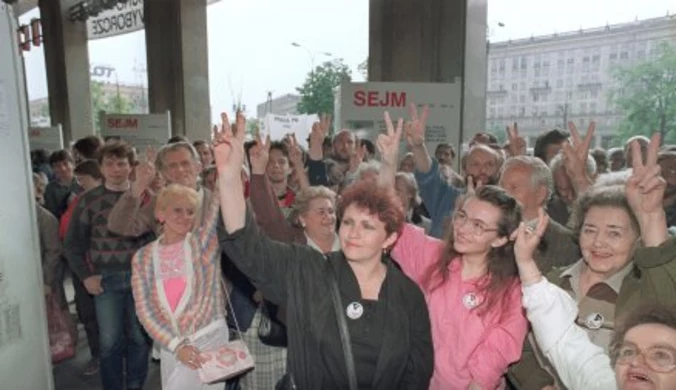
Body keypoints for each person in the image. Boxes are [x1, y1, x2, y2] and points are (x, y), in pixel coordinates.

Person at [216, 112, 434, 389]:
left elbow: (417, 372)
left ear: (389, 239)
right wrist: (229, 177)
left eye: (367, 227)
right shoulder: (308, 269)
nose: (353, 232)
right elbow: (247, 247)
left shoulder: (408, 295)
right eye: (349, 222)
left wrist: (389, 165)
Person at [511, 133, 676, 390]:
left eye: (614, 233)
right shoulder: (550, 283)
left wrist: (651, 216)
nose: (599, 242)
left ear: (637, 240)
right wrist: (539, 385)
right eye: (590, 230)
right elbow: (518, 343)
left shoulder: (646, 294)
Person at [378, 111, 528, 389]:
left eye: (479, 226)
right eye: (462, 217)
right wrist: (388, 164)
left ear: (500, 239)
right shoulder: (433, 258)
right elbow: (387, 219)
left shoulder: (511, 291)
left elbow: (496, 353)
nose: (463, 228)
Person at [64, 141, 152, 390]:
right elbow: (72, 244)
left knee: (139, 337)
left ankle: (135, 385)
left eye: (122, 163)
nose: (116, 169)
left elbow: (158, 240)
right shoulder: (87, 200)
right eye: (110, 164)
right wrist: (85, 276)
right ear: (100, 168)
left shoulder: (146, 197)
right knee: (109, 341)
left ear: (131, 166)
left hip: (140, 279)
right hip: (105, 280)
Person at [131, 181, 226, 390]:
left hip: (209, 335)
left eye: (191, 211)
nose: (185, 216)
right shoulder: (143, 257)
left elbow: (217, 208)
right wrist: (176, 345)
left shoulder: (203, 244)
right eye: (177, 210)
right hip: (172, 344)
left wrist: (224, 174)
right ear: (160, 214)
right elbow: (145, 311)